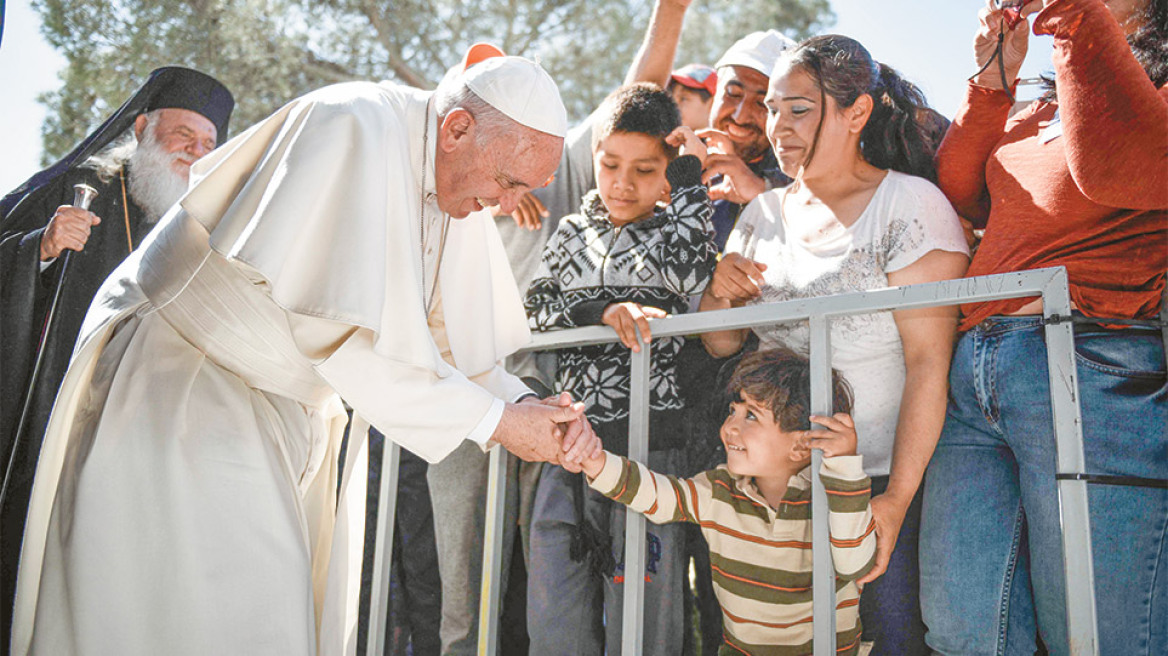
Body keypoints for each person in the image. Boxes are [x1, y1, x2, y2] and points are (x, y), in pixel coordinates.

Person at [8, 53, 595, 656]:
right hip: (182, 382)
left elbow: (457, 350)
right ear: (458, 130)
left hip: (275, 410)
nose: (505, 204)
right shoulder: (352, 124)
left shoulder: (459, 182)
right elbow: (337, 335)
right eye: (509, 182)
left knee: (264, 618)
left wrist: (535, 409)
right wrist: (501, 424)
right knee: (189, 618)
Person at [699, 35, 970, 655]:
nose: (777, 127)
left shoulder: (910, 205)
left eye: (798, 109)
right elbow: (718, 343)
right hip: (778, 491)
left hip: (877, 483)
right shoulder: (760, 214)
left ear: (857, 113)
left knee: (889, 641)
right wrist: (718, 292)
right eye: (773, 109)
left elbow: (931, 364)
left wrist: (897, 500)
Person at [919, 0, 1167, 654]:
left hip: (1087, 366)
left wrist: (1073, 19)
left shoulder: (1150, 93)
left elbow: (1116, 166)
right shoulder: (1044, 98)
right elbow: (959, 189)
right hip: (971, 380)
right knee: (963, 632)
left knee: (1096, 637)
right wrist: (994, 79)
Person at [0, 66, 233, 652]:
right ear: (142, 127)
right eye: (183, 135)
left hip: (133, 426)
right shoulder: (82, 185)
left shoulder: (193, 226)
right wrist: (43, 249)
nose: (194, 151)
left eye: (207, 144)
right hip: (50, 409)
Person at [524, 83, 717, 655]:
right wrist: (601, 312)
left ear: (667, 170)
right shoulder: (569, 233)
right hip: (569, 444)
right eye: (610, 165)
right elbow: (534, 310)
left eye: (645, 169)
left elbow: (690, 276)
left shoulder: (676, 227)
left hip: (649, 449)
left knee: (644, 617)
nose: (623, 183)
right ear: (594, 158)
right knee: (555, 607)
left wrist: (688, 179)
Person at [574, 348, 875, 655]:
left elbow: (855, 563)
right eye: (733, 411)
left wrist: (844, 467)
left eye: (751, 416)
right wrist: (595, 462)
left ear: (801, 446)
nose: (730, 426)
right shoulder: (719, 490)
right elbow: (660, 496)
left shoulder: (834, 495)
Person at [666, 64, 717, 131]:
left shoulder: (723, 141)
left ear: (711, 104)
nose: (673, 106)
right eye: (671, 98)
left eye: (683, 99)